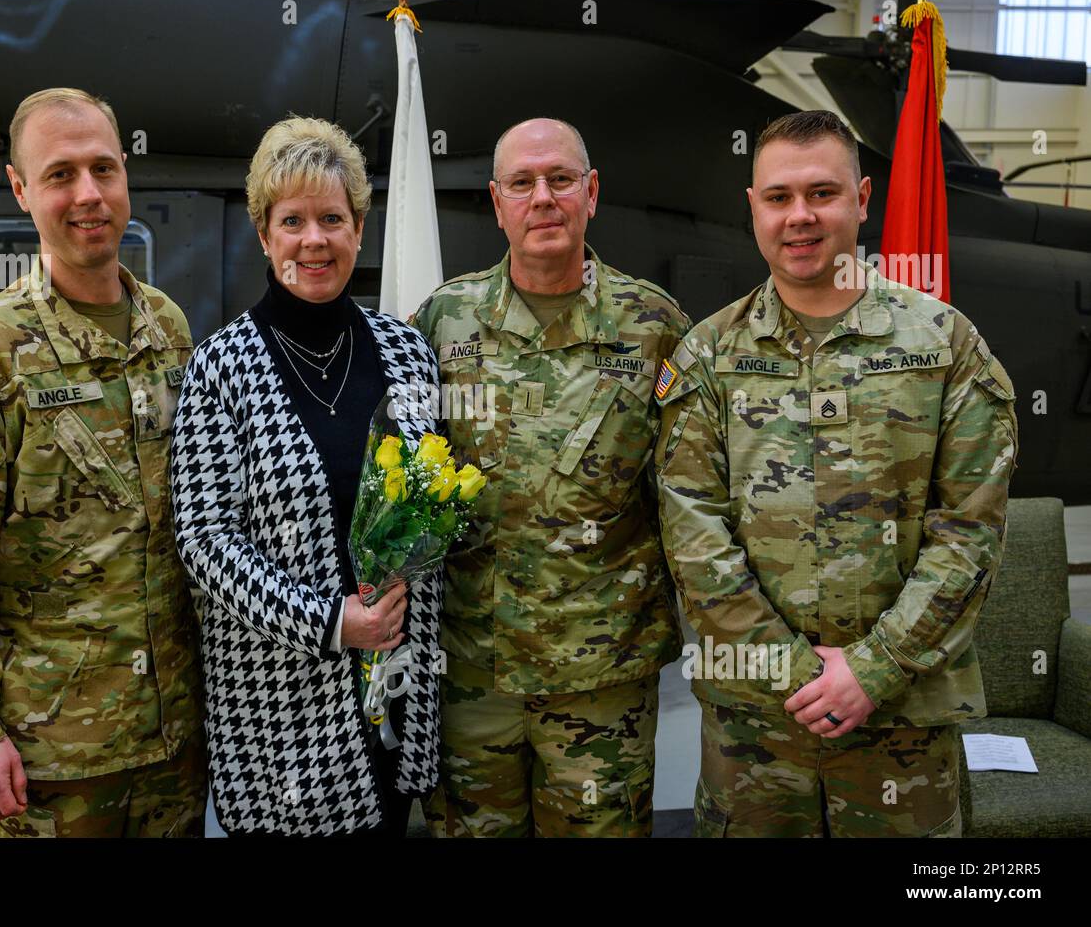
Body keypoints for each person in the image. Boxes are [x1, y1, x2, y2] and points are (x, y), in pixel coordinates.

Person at [656, 109, 1018, 837]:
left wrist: (874, 670)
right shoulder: (706, 355)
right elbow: (693, 534)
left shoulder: (945, 345)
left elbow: (971, 531)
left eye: (822, 193)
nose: (800, 216)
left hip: (902, 726)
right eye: (780, 196)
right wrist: (797, 675)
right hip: (757, 730)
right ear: (752, 206)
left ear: (863, 198)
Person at [0, 87, 205, 838]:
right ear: (19, 188)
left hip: (176, 747)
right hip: (50, 758)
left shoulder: (168, 330)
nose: (89, 194)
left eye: (104, 168)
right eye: (61, 174)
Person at [410, 117, 690, 837]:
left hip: (602, 681)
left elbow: (690, 496)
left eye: (561, 180)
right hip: (474, 675)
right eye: (523, 184)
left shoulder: (653, 324)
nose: (544, 198)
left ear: (590, 193)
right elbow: (406, 485)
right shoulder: (443, 321)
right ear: (496, 201)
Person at [169, 116, 442, 837]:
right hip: (280, 716)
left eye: (332, 218)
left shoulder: (408, 353)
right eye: (292, 220)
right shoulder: (221, 367)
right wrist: (332, 623)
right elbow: (203, 540)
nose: (313, 240)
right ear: (264, 234)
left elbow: (432, 498)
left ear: (359, 228)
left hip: (397, 695)